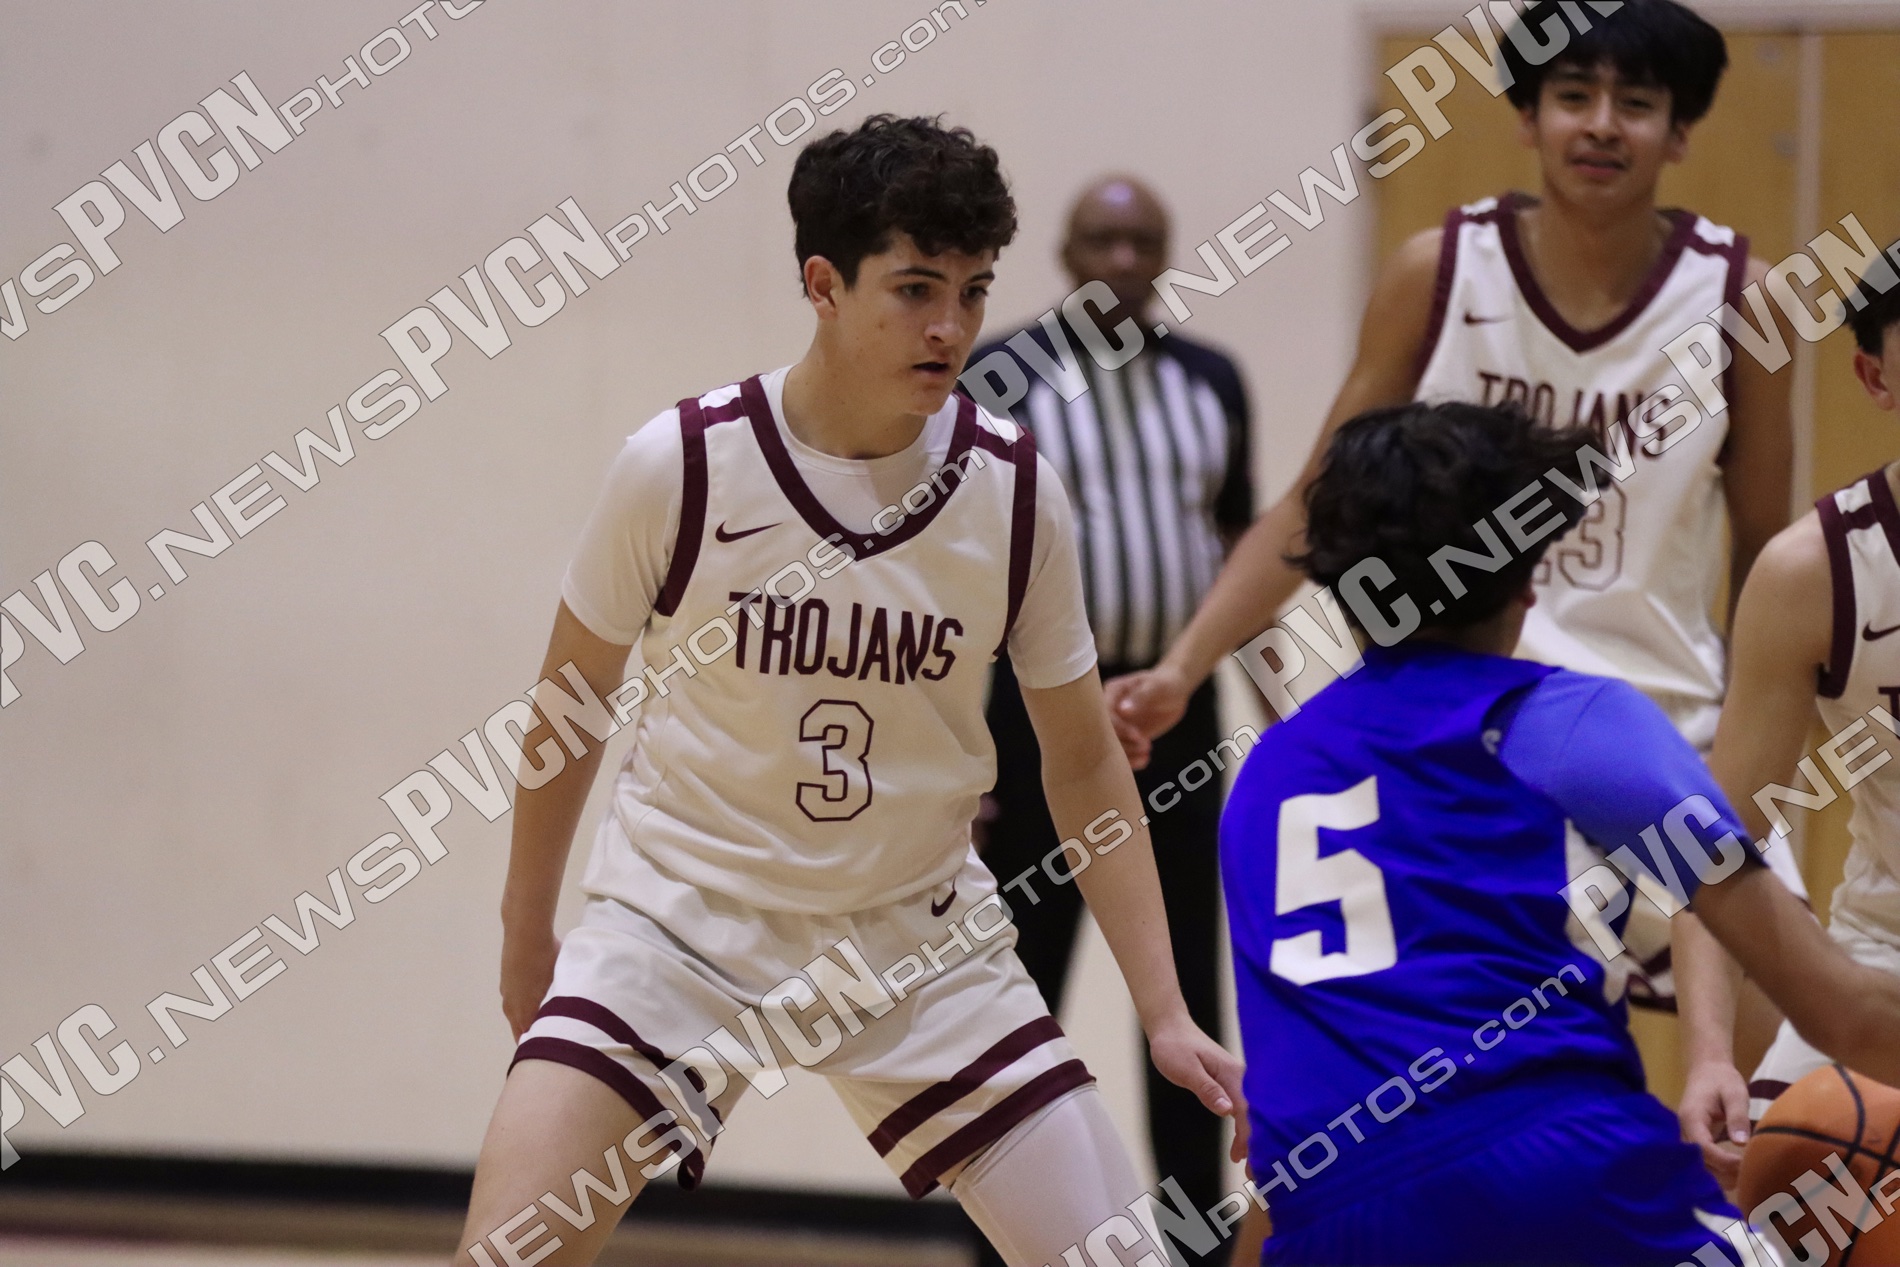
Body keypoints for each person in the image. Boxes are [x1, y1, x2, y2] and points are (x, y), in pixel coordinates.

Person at [451, 115, 1242, 1267]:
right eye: (915, 289)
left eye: (972, 291)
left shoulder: (1013, 490)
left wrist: (1164, 1012)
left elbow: (1081, 762)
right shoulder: (680, 464)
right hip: (678, 925)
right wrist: (527, 929)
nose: (950, 326)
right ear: (822, 284)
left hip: (918, 943)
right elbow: (568, 708)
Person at [1105, 0, 1802, 1015]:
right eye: (1572, 96)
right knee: (1451, 1031)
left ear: (1679, 131)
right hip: (1468, 734)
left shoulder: (1743, 297)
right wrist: (1181, 666)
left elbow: (1767, 553)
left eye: (1636, 103)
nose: (1600, 124)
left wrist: (1755, 751)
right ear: (1527, 116)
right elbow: (1310, 500)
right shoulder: (1439, 271)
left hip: (1664, 730)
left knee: (1778, 1031)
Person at [1222, 397, 1900, 1266]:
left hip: (1327, 1219)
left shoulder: (1267, 774)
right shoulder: (1570, 721)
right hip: (1554, 1175)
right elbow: (1841, 1009)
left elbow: (1293, 1103)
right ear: (1526, 580)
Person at [973, 174, 1253, 1260]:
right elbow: (957, 565)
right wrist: (968, 763)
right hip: (1032, 726)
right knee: (1019, 996)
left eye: (1143, 241)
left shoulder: (1212, 379)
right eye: (1103, 240)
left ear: (1167, 253)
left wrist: (1282, 719)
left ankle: (1194, 1247)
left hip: (1176, 715)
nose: (1124, 260)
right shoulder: (1001, 371)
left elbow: (1241, 553)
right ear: (1064, 253)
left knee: (1182, 995)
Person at [1674, 260, 1900, 1186]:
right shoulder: (1815, 571)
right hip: (1884, 972)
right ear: (1875, 376)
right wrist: (1709, 1055)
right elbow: (1717, 845)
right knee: (1790, 1175)